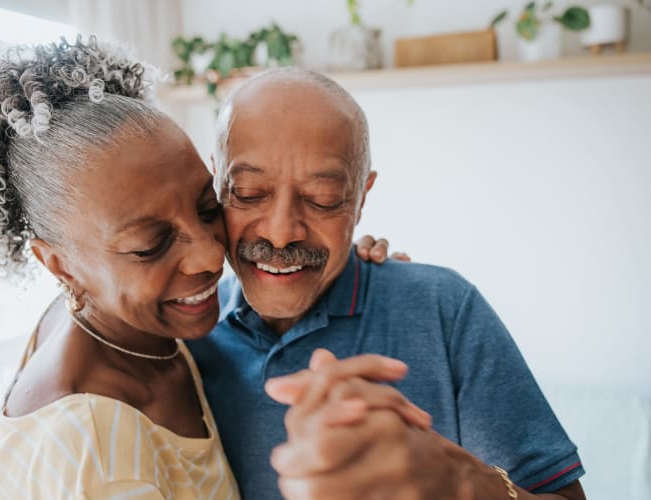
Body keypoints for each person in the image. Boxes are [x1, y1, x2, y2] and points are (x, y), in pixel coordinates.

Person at [0, 37, 412, 499]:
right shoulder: (95, 455)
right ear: (59, 264)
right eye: (151, 244)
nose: (210, 257)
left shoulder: (121, 318)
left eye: (206, 206)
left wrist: (341, 256)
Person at [186, 67, 587, 499]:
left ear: (361, 197)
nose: (281, 233)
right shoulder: (185, 341)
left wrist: (460, 482)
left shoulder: (443, 308)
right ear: (217, 182)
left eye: (322, 200)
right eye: (248, 192)